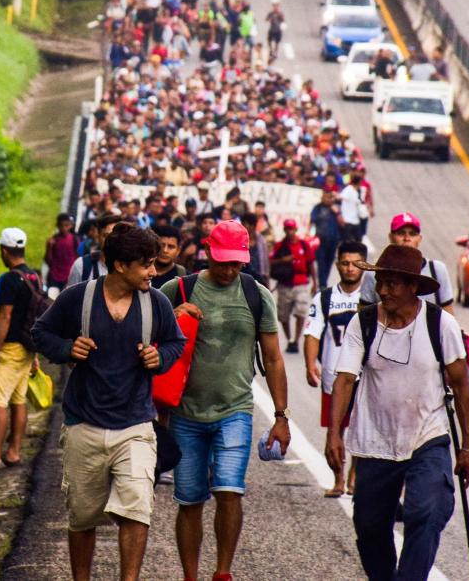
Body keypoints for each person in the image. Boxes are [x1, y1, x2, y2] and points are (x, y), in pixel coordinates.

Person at [32, 224, 186, 581]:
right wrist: (67, 348)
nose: (153, 270)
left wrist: (158, 357)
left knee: (136, 510)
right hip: (84, 424)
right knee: (83, 518)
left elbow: (174, 342)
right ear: (120, 265)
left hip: (135, 425)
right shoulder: (78, 298)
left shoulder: (156, 303)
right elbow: (41, 332)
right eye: (146, 264)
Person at [326, 244, 469, 581]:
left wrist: (466, 447)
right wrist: (334, 432)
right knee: (369, 528)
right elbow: (345, 379)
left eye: (392, 283)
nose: (383, 290)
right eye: (381, 282)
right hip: (375, 440)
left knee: (427, 509)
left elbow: (462, 385)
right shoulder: (362, 323)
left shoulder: (440, 324)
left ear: (412, 287)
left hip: (428, 435)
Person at [158, 221, 291, 581]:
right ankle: (190, 574)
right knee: (189, 499)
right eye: (222, 262)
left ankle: (223, 572)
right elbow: (147, 338)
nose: (229, 269)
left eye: (236, 263)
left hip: (235, 410)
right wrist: (173, 316)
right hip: (185, 413)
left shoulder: (255, 294)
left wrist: (281, 416)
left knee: (230, 491)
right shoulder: (178, 289)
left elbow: (275, 358)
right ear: (207, 253)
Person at [0, 227, 43, 474]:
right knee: (18, 399)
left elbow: (5, 316)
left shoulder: (10, 280)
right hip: (27, 348)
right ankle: (13, 452)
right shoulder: (34, 276)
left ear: (4, 251)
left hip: (12, 347)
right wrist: (34, 355)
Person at [303, 240, 366, 498]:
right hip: (333, 376)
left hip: (364, 378)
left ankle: (354, 477)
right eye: (345, 263)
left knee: (362, 431)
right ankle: (338, 478)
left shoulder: (372, 297)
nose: (350, 269)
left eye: (355, 264)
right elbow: (312, 333)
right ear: (337, 264)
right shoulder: (325, 298)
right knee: (334, 431)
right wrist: (310, 365)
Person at [360, 212, 456, 314]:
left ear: (419, 238)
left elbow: (448, 312)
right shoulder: (373, 273)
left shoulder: (436, 270)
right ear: (391, 237)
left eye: (412, 234)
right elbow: (364, 316)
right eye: (401, 233)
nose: (407, 238)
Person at [270, 219, 315, 355]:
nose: (290, 232)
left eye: (292, 229)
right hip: (285, 284)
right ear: (284, 230)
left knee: (301, 312)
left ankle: (296, 339)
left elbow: (311, 263)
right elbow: (270, 260)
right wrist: (283, 261)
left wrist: (315, 282)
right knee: (283, 315)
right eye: (287, 229)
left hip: (301, 282)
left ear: (296, 230)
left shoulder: (304, 245)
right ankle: (289, 338)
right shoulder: (279, 246)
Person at [67, 214, 122, 286]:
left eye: (115, 236)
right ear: (98, 237)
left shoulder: (130, 269)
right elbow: (70, 296)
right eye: (105, 236)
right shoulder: (82, 265)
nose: (110, 240)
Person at [309, 190, 342, 288]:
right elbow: (312, 220)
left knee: (329, 261)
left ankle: (324, 282)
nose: (327, 199)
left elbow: (342, 223)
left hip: (333, 240)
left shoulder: (336, 208)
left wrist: (337, 213)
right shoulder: (318, 208)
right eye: (325, 197)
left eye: (329, 197)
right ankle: (323, 285)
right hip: (320, 240)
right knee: (321, 262)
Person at [45, 213, 79, 295]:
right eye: (61, 226)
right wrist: (49, 247)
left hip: (69, 277)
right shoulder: (53, 240)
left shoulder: (75, 240)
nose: (64, 228)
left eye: (66, 225)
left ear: (71, 225)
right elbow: (48, 261)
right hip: (54, 276)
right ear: (57, 225)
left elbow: (78, 258)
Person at [151, 224, 187, 288]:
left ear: (178, 250)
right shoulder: (141, 273)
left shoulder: (185, 277)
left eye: (171, 247)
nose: (165, 250)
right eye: (161, 245)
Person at [240, 212, 268, 286]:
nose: (244, 226)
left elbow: (265, 260)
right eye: (243, 223)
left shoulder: (261, 240)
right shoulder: (239, 239)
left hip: (258, 277)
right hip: (243, 277)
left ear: (253, 225)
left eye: (246, 224)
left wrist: (266, 275)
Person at [338, 174, 363, 243]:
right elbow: (340, 197)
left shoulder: (356, 192)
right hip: (347, 220)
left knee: (358, 240)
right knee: (347, 242)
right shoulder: (348, 189)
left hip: (355, 220)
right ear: (358, 182)